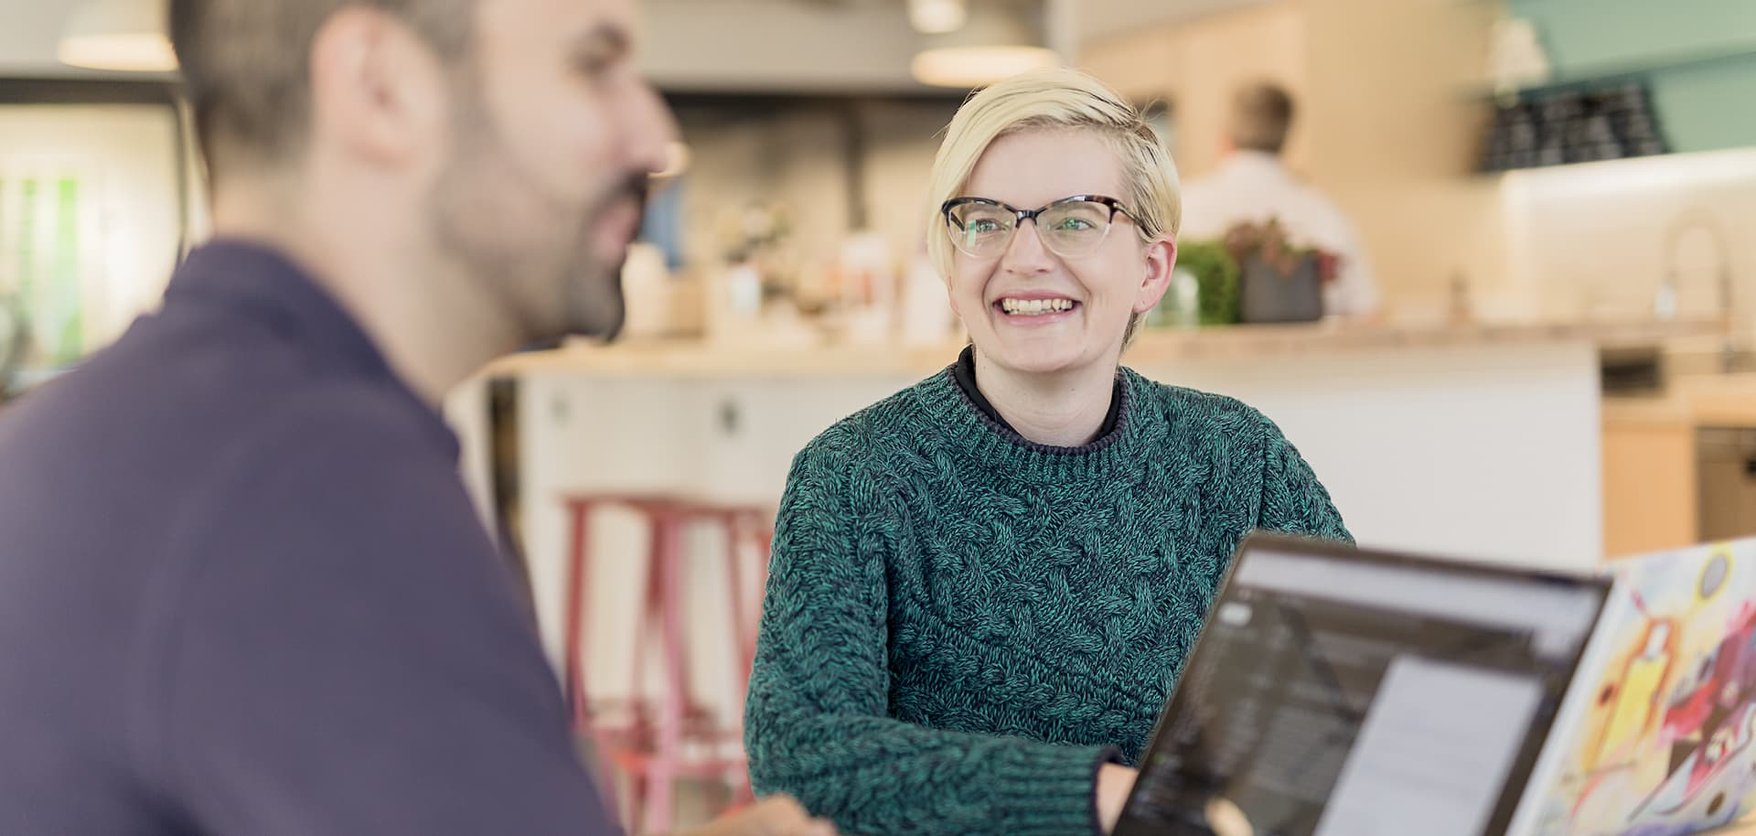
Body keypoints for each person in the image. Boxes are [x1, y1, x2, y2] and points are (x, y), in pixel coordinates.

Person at [0, 1, 832, 835]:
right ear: (380, 88)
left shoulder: (155, 436)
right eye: (593, 64)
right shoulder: (307, 485)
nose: (654, 138)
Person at [743, 68, 1351, 836]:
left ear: (1151, 270)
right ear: (949, 260)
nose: (1023, 256)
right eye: (986, 220)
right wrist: (1103, 797)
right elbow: (802, 758)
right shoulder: (852, 476)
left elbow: (1347, 685)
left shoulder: (1240, 458)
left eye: (1073, 220)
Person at [1179, 81, 1380, 319]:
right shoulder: (1324, 211)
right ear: (1286, 136)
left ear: (1225, 136)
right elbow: (1365, 311)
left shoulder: (1183, 202)